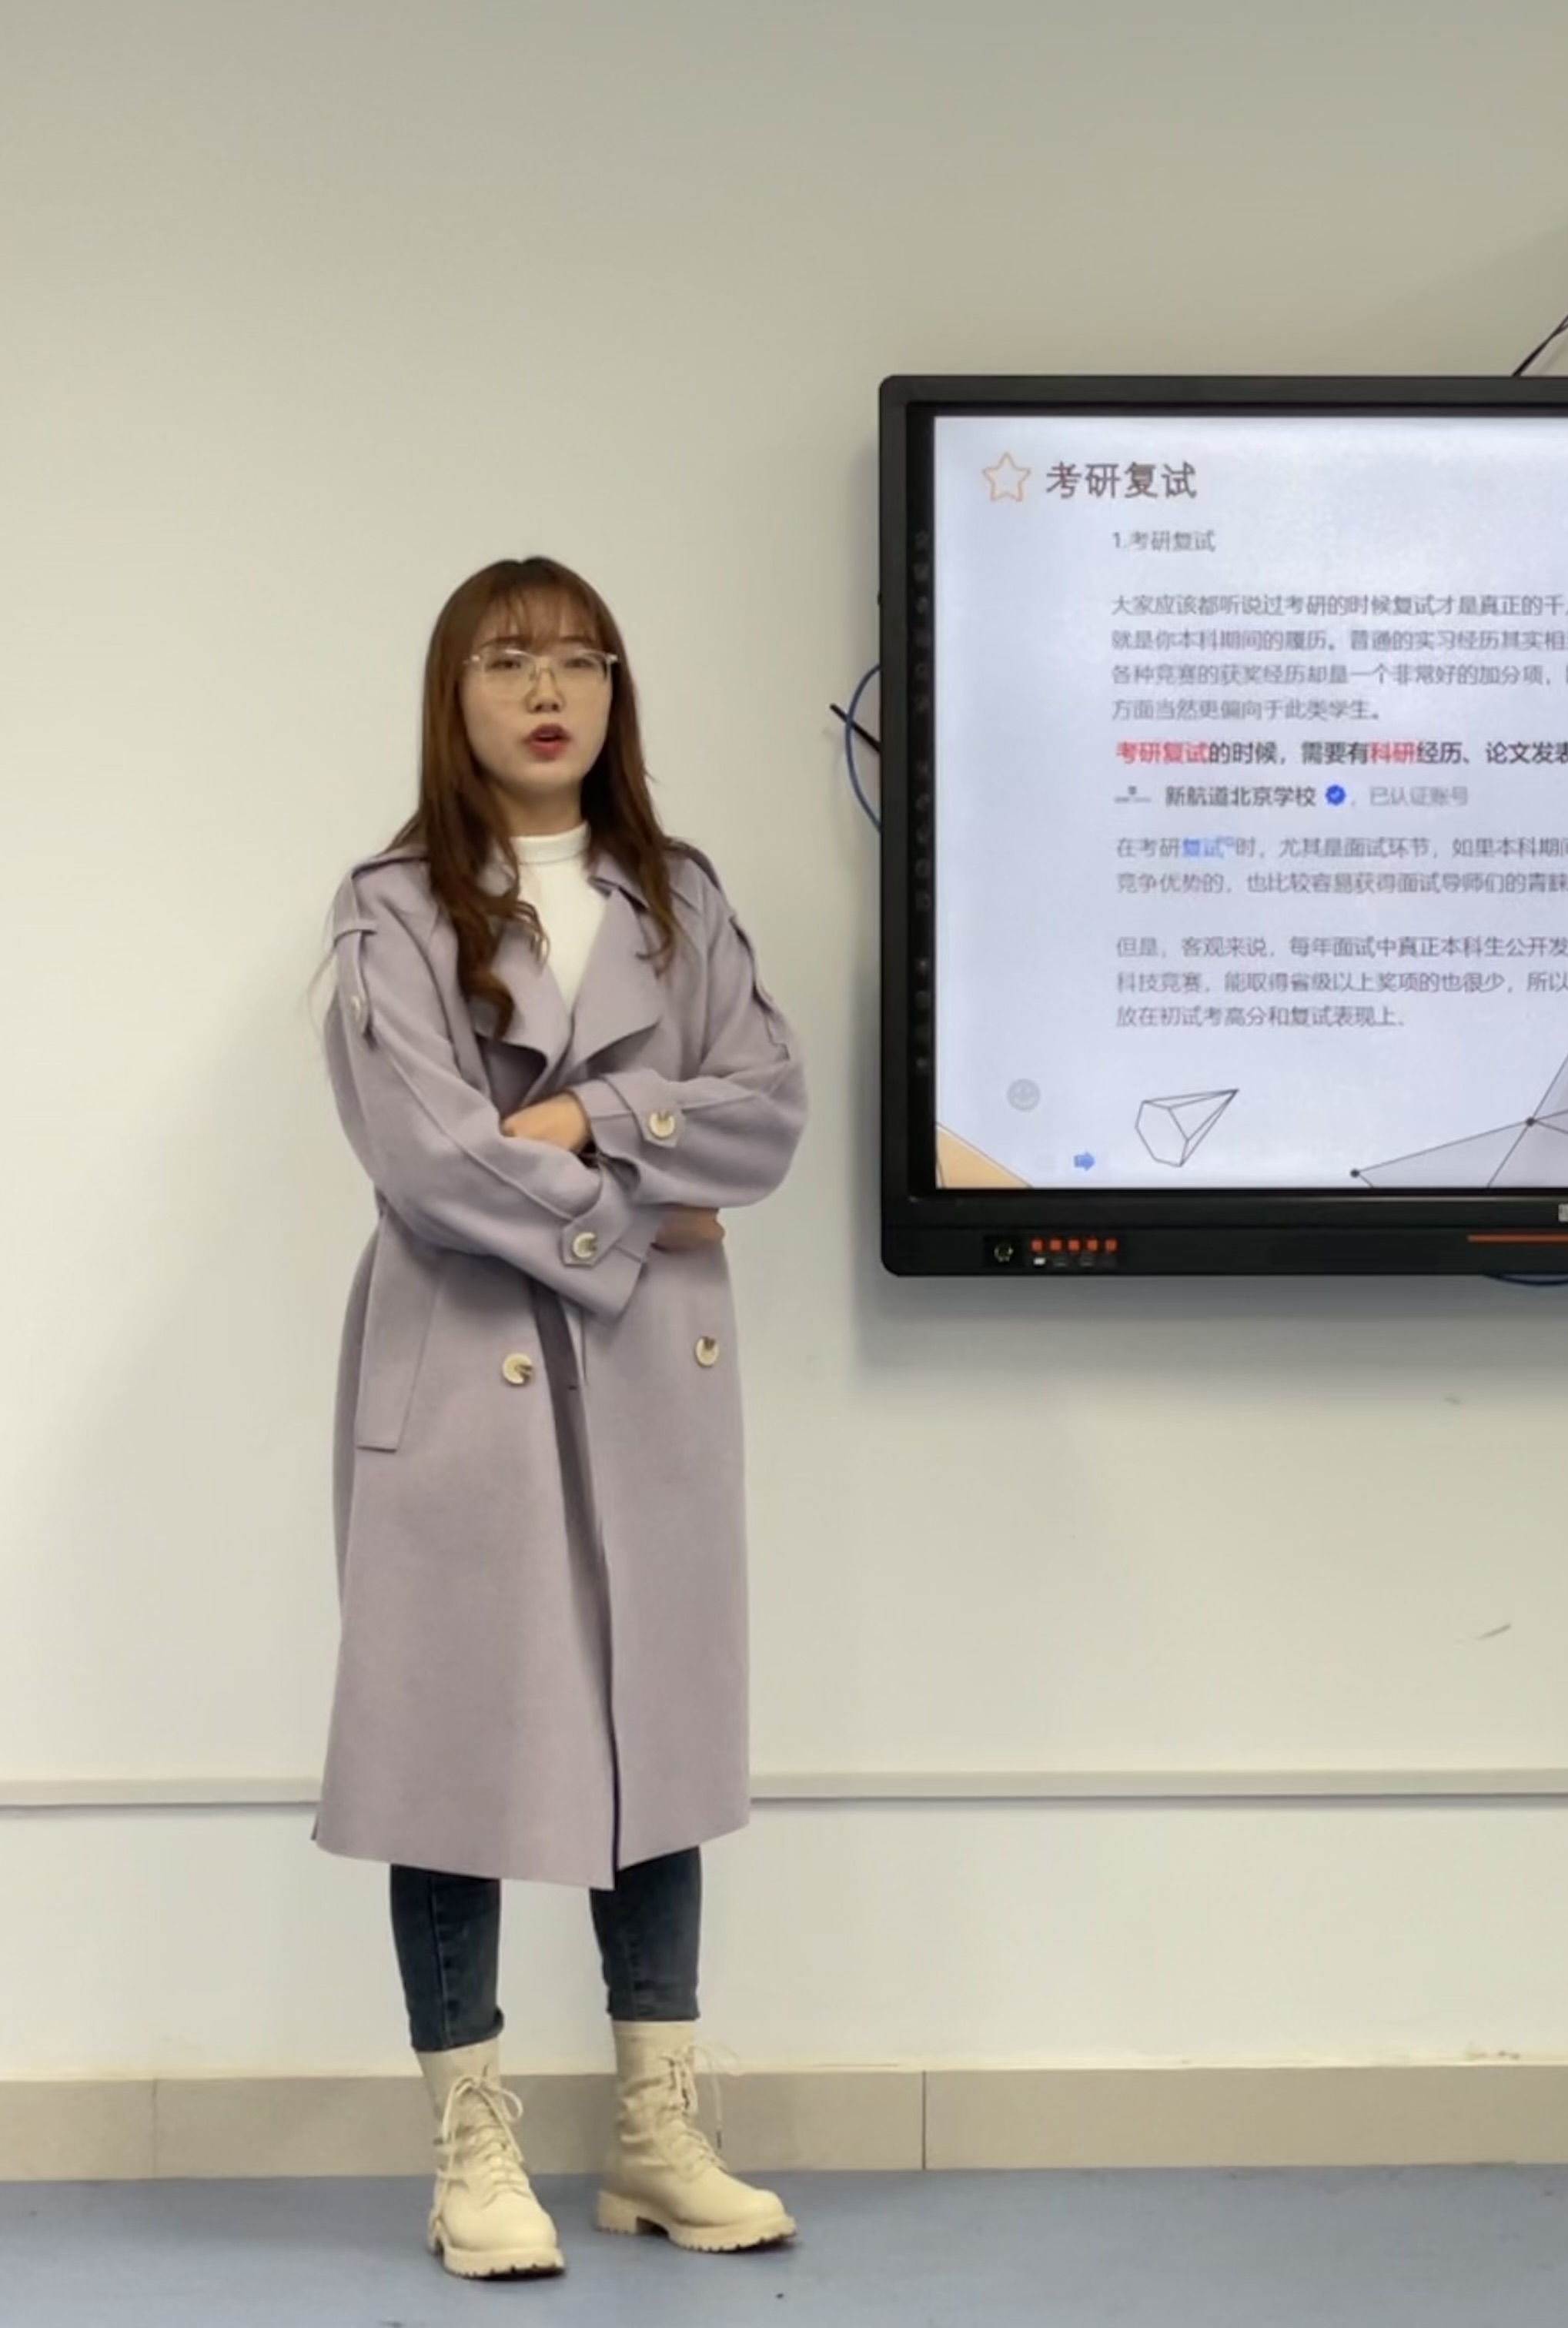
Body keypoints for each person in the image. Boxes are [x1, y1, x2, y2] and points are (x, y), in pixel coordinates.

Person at [316, 556, 807, 2279]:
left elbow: (768, 1114)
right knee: (449, 1746)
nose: (551, 692)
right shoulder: (392, 908)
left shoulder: (679, 895)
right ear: (452, 695)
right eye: (512, 661)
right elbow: (425, 1158)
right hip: (465, 1365)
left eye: (584, 661)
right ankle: (472, 2148)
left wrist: (592, 1118)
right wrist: (637, 1213)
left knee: (652, 1737)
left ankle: (657, 2137)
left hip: (656, 1386)